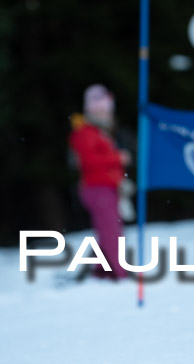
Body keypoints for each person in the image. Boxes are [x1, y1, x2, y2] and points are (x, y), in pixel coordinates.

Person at [69, 84, 130, 280]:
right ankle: (118, 273)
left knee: (109, 230)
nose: (105, 113)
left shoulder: (98, 131)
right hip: (97, 188)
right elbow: (88, 161)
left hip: (106, 187)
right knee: (111, 232)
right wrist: (117, 158)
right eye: (100, 108)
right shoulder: (86, 132)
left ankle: (100, 270)